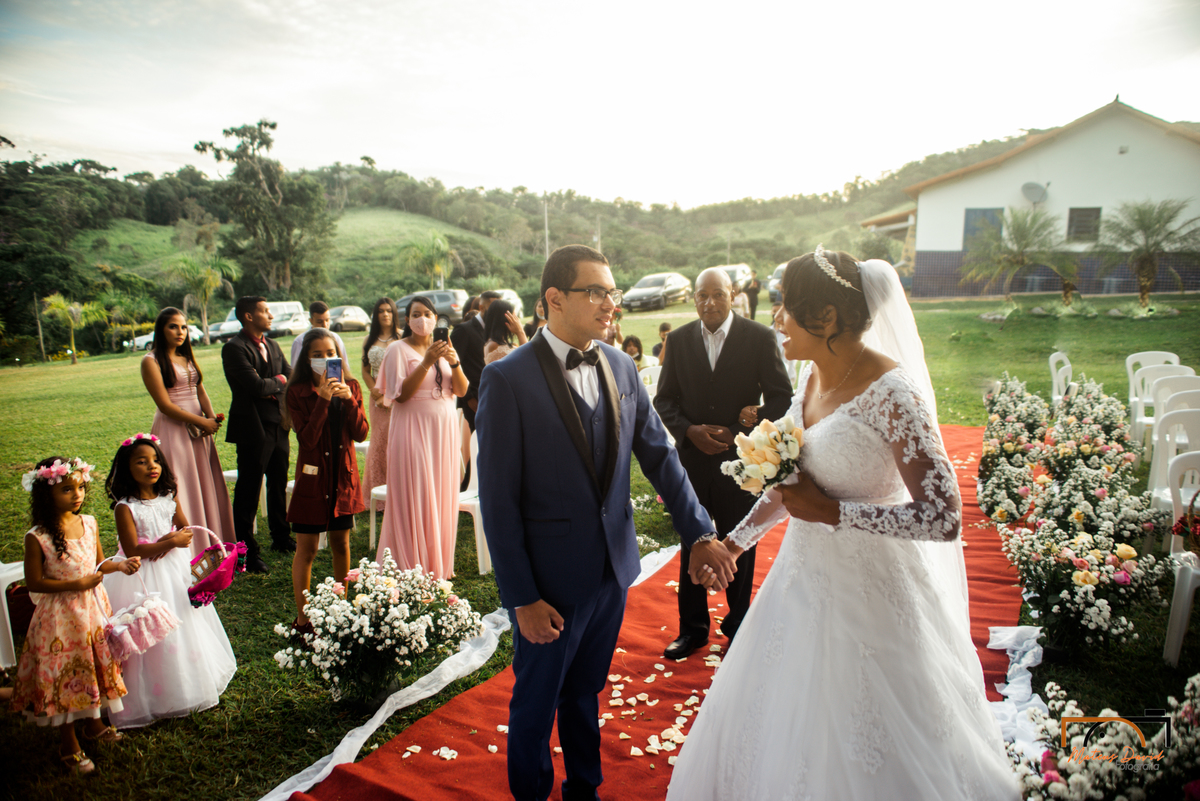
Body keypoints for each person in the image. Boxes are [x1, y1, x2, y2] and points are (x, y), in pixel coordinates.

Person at [665, 247, 1019, 801]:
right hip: (801, 580)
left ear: (826, 316)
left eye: (785, 305)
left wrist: (835, 513)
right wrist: (733, 545)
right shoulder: (810, 377)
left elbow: (944, 517)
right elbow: (788, 480)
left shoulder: (894, 393)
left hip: (876, 593)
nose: (776, 317)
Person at [476, 244, 734, 801]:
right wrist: (522, 598)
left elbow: (661, 455)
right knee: (536, 701)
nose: (610, 303)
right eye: (595, 292)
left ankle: (585, 790)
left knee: (585, 691)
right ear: (554, 299)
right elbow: (498, 502)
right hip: (547, 582)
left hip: (612, 570)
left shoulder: (620, 365)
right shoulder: (507, 379)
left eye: (612, 292)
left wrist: (699, 531)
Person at [653, 267, 793, 659]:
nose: (709, 302)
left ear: (732, 294)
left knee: (738, 540)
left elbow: (781, 397)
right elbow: (664, 400)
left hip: (740, 462)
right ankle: (693, 630)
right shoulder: (679, 340)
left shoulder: (759, 337)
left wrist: (737, 430)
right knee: (693, 542)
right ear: (693, 298)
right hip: (693, 461)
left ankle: (738, 626)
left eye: (717, 294)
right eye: (702, 295)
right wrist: (690, 430)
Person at [10, 456, 139, 775]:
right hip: (60, 620)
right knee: (64, 676)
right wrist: (77, 584)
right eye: (67, 489)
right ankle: (68, 743)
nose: (77, 495)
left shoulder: (90, 523)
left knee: (92, 668)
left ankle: (94, 725)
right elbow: (34, 582)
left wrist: (121, 565)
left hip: (92, 612)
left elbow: (99, 564)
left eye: (80, 487)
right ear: (47, 494)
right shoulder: (37, 536)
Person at [102, 434, 237, 728]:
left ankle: (186, 684)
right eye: (141, 461)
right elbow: (132, 549)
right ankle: (148, 694)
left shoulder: (168, 497)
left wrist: (173, 538)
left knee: (182, 623)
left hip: (173, 572)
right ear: (127, 469)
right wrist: (167, 543)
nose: (151, 466)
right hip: (140, 576)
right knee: (147, 627)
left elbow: (185, 529)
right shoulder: (125, 507)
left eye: (155, 460)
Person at [375, 296, 468, 578]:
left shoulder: (446, 348)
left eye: (428, 314)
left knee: (440, 494)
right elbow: (401, 395)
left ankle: (436, 563)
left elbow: (461, 390)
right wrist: (427, 361)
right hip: (412, 429)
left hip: (443, 431)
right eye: (416, 314)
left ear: (436, 319)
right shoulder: (397, 349)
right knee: (416, 491)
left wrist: (454, 363)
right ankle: (409, 565)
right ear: (407, 320)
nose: (423, 319)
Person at [287, 329, 369, 637]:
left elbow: (361, 433)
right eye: (317, 355)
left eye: (331, 353)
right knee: (306, 549)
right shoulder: (297, 393)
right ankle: (303, 620)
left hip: (342, 477)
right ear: (306, 359)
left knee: (341, 544)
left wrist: (349, 401)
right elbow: (307, 440)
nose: (325, 359)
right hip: (313, 479)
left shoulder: (352, 386)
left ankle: (342, 611)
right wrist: (322, 399)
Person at [141, 307, 236, 556]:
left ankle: (213, 544)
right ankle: (189, 550)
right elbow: (164, 405)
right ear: (161, 329)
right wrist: (200, 421)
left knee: (204, 482)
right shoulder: (151, 361)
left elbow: (200, 390)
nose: (180, 332)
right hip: (173, 430)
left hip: (199, 431)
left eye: (183, 327)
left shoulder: (187, 357)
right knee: (182, 484)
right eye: (173, 326)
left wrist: (211, 418)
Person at [222, 296, 294, 574]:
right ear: (249, 316)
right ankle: (247, 553)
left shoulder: (272, 345)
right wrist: (279, 381)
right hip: (252, 427)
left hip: (278, 423)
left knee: (278, 483)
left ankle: (281, 536)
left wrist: (276, 382)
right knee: (249, 491)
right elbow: (256, 386)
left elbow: (289, 374)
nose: (271, 316)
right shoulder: (234, 348)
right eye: (265, 311)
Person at [359, 297, 400, 512]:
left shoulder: (402, 337)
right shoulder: (369, 339)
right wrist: (375, 393)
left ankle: (398, 492)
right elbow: (365, 370)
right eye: (381, 311)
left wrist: (391, 396)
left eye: (389, 311)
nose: (385, 314)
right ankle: (376, 493)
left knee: (397, 442)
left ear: (394, 314)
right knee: (379, 442)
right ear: (375, 315)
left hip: (398, 397)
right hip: (376, 398)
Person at [450, 289, 500, 433]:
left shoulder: (495, 330)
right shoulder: (464, 330)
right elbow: (453, 364)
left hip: (494, 397)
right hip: (474, 400)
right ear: (481, 307)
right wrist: (469, 398)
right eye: (493, 307)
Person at [289, 301, 348, 368]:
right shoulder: (300, 341)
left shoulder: (336, 338)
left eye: (327, 320)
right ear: (311, 321)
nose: (325, 325)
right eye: (319, 322)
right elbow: (295, 368)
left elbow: (344, 365)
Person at [483, 299, 529, 365]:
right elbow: (528, 357)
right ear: (504, 319)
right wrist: (520, 332)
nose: (516, 321)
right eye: (513, 317)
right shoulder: (494, 345)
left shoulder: (496, 342)